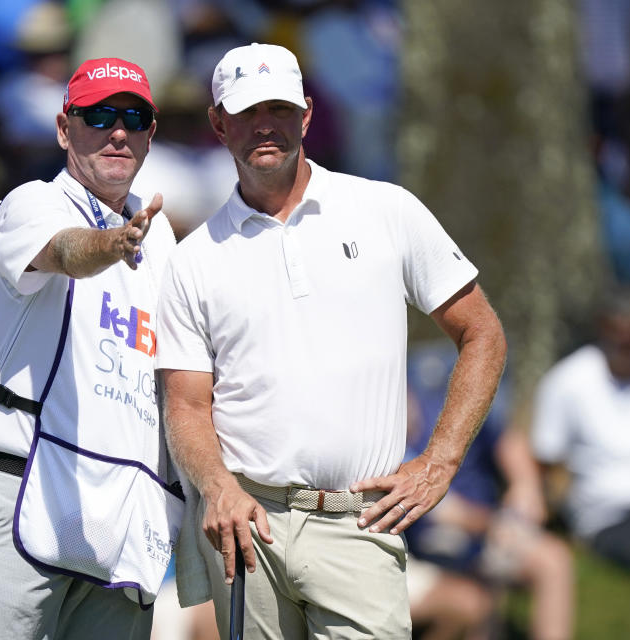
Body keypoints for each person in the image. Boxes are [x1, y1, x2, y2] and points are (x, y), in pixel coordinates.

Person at [156, 43, 507, 639]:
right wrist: (216, 489)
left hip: (358, 522)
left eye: (279, 108)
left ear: (307, 115)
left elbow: (483, 333)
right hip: (250, 528)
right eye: (246, 111)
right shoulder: (192, 261)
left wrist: (439, 462)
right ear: (218, 122)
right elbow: (187, 404)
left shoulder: (384, 209)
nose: (264, 125)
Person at [0, 56, 185, 639]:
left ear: (151, 134)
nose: (117, 131)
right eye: (98, 114)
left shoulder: (164, 244)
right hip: (26, 487)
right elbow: (66, 252)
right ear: (63, 129)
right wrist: (115, 242)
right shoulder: (31, 203)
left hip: (123, 514)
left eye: (134, 116)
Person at [405, 341, 574, 640]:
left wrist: (526, 487)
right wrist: (500, 523)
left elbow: (506, 440)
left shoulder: (444, 395)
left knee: (553, 561)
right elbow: (450, 515)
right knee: (473, 600)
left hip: (482, 535)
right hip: (428, 546)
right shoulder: (383, 446)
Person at [531, 288, 630, 615]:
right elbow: (545, 460)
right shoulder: (567, 383)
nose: (629, 344)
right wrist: (552, 517)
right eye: (621, 335)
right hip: (610, 512)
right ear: (603, 330)